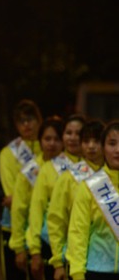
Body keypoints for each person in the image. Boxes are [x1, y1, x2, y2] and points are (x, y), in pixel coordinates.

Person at [27, 114, 85, 280]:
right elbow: (36, 210)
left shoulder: (96, 168)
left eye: (78, 133)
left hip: (83, 248)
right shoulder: (48, 169)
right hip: (53, 246)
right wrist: (35, 250)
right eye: (68, 133)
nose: (73, 138)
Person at [47, 120, 105, 280]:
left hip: (105, 261)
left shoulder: (112, 176)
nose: (91, 146)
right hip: (75, 258)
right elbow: (56, 219)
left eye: (97, 141)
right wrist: (58, 262)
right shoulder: (69, 177)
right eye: (86, 141)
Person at [9, 116, 64, 276]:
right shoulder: (29, 171)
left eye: (57, 139)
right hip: (38, 243)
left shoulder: (72, 168)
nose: (52, 143)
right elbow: (19, 210)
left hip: (65, 244)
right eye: (47, 138)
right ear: (40, 141)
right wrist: (20, 247)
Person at [67, 120, 119, 280]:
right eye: (112, 143)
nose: (118, 150)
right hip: (98, 270)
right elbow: (78, 232)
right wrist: (77, 273)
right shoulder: (90, 186)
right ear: (103, 148)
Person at [0, 99, 43, 280]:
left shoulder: (49, 148)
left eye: (30, 119)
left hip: (42, 227)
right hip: (13, 225)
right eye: (21, 121)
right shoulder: (8, 153)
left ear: (39, 121)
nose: (26, 125)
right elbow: (11, 195)